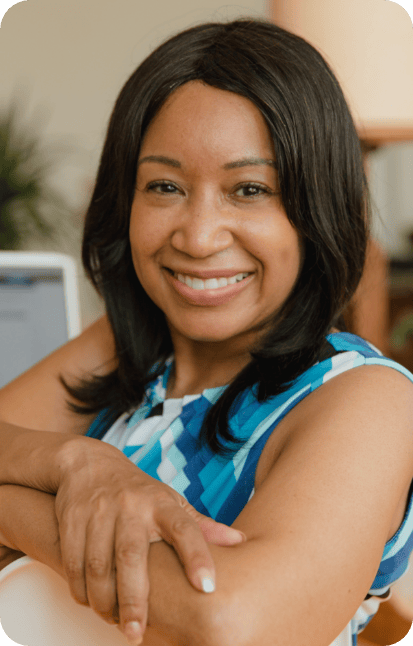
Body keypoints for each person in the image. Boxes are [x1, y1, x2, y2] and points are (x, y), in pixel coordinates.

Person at [0, 17, 412, 646]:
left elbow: (233, 624)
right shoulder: (131, 344)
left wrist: (26, 511)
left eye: (250, 189)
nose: (196, 237)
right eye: (164, 186)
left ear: (316, 207)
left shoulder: (371, 399)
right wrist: (80, 464)